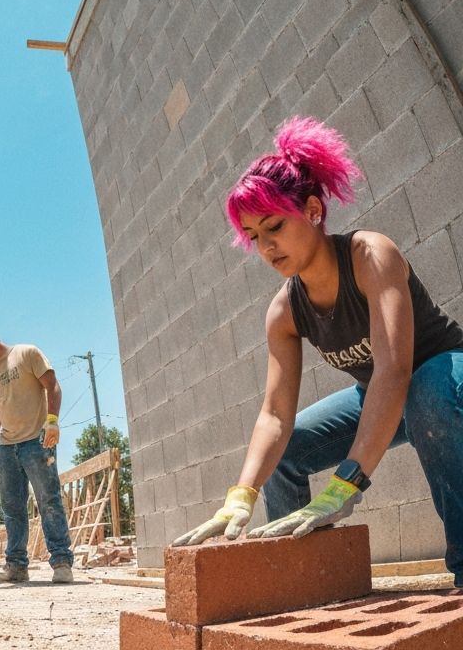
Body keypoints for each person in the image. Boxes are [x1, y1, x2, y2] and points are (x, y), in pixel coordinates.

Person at [172, 117, 463, 593]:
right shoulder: (284, 312)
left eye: (274, 226)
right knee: (283, 452)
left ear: (311, 210)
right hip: (380, 395)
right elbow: (274, 415)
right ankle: (301, 585)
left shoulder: (370, 255)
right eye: (253, 235)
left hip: (445, 382)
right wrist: (241, 494)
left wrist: (347, 482)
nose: (266, 246)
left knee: (425, 392)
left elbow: (395, 370)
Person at [0, 325, 74, 583]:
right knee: (12, 507)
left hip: (37, 440)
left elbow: (52, 385)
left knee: (48, 500)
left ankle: (61, 563)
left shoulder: (27, 353)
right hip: (8, 447)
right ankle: (16, 566)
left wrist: (52, 421)